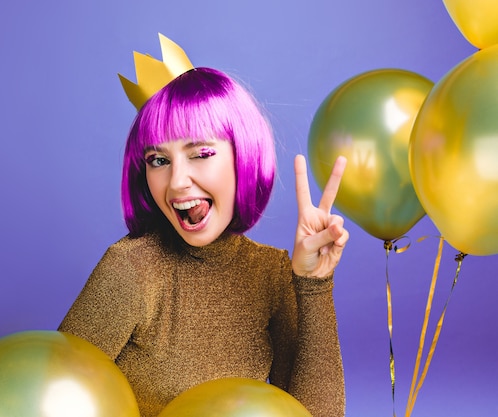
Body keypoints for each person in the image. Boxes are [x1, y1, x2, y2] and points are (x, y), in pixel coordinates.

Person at [58, 34, 348, 417]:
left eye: (201, 154)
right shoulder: (130, 269)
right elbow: (57, 395)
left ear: (242, 158)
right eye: (159, 160)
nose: (176, 181)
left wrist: (314, 285)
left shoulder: (272, 273)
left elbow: (314, 415)